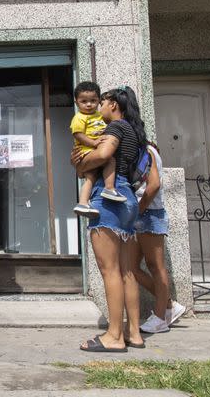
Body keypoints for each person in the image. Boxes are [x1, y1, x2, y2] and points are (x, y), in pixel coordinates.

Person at [71, 86, 146, 352]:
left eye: (102, 102)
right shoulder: (133, 131)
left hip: (109, 198)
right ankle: (133, 333)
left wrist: (80, 162)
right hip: (127, 199)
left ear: (113, 104)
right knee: (126, 271)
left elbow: (102, 155)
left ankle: (114, 336)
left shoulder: (114, 128)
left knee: (110, 270)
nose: (98, 106)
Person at [129, 142, 187, 334]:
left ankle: (161, 317)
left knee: (155, 266)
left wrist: (138, 210)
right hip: (141, 214)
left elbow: (153, 185)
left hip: (150, 214)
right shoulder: (138, 150)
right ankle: (169, 305)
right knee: (131, 267)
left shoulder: (147, 150)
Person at [71, 81, 125, 218]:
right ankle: (109, 188)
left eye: (93, 101)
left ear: (99, 101)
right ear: (76, 102)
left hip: (92, 150)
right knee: (110, 160)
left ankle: (83, 203)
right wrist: (94, 143)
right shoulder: (79, 117)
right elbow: (78, 134)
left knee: (90, 177)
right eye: (84, 101)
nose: (89, 104)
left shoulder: (100, 116)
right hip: (85, 150)